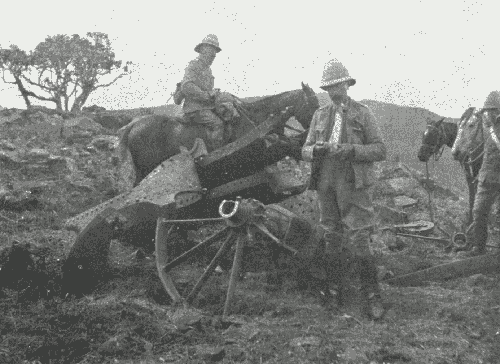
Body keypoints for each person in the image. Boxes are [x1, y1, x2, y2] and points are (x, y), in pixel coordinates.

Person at [301, 59, 387, 319]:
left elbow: (380, 149)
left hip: (352, 182)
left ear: (347, 84)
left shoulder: (363, 113)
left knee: (360, 236)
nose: (332, 91)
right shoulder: (319, 115)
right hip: (325, 182)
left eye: (336, 85)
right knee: (331, 234)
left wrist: (351, 150)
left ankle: (372, 295)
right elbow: (303, 150)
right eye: (328, 86)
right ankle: (333, 290)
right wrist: (315, 149)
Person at [463, 90, 500, 257]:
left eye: (492, 111)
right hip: (486, 177)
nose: (488, 114)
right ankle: (479, 247)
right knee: (478, 211)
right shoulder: (486, 126)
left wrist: (492, 129)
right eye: (487, 111)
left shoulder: (493, 129)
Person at [180, 34, 225, 151]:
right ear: (203, 50)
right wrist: (207, 95)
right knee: (218, 125)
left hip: (205, 107)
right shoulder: (194, 65)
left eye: (215, 52)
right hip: (194, 110)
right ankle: (216, 156)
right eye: (211, 51)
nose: (213, 55)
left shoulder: (207, 69)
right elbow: (187, 86)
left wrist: (214, 93)